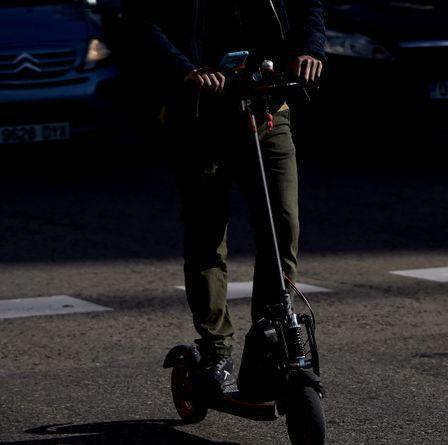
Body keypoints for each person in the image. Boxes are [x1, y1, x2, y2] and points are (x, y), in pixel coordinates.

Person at [122, 0, 326, 392]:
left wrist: (311, 48)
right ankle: (216, 348)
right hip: (201, 115)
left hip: (268, 107)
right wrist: (186, 69)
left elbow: (307, 6)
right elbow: (141, 22)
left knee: (282, 224)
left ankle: (268, 339)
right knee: (207, 233)